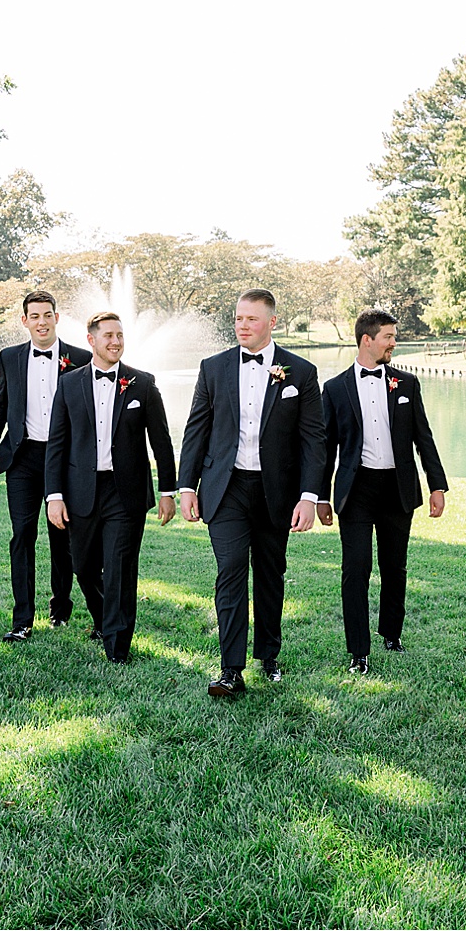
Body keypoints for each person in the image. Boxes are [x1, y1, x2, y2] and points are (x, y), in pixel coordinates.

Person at [177, 288, 326, 698]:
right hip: (225, 489)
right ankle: (230, 669)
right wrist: (187, 486)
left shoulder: (301, 372)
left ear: (271, 322)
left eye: (252, 319)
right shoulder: (213, 367)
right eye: (239, 318)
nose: (242, 325)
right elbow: (196, 430)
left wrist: (309, 496)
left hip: (276, 491)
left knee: (270, 573)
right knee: (230, 571)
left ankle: (269, 655)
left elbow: (313, 440)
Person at [315, 309, 447, 675]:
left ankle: (391, 634)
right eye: (388, 336)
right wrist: (322, 496)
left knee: (395, 566)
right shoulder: (335, 389)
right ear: (367, 340)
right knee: (355, 569)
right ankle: (358, 651)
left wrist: (437, 485)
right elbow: (326, 448)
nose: (394, 343)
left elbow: (424, 437)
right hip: (355, 490)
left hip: (397, 488)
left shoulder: (407, 384)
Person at [44, 311, 177, 663]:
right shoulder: (69, 384)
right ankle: (105, 619)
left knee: (120, 568)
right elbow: (57, 443)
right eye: (109, 336)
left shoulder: (142, 383)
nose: (116, 342)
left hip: (125, 492)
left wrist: (168, 491)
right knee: (84, 567)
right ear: (92, 340)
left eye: (120, 336)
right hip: (81, 490)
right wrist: (54, 495)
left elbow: (161, 442)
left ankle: (117, 647)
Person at [0, 291, 93, 642]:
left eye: (47, 315)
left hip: (64, 458)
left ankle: (60, 608)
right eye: (35, 316)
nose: (42, 322)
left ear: (56, 318)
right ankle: (22, 620)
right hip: (23, 457)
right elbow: (1, 400)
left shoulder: (80, 358)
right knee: (22, 534)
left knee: (62, 535)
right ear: (25, 321)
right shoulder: (10, 357)